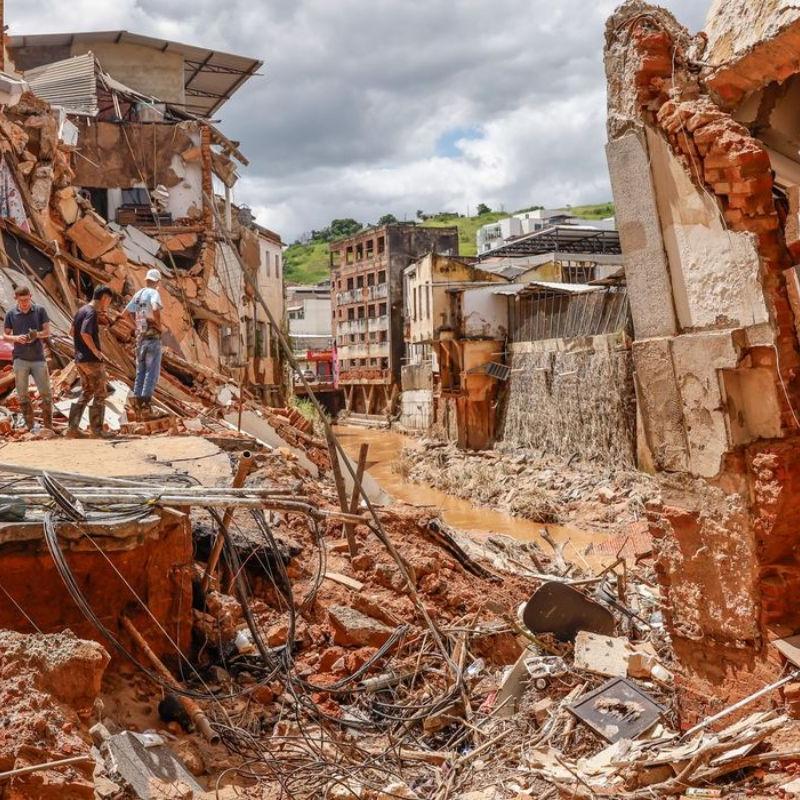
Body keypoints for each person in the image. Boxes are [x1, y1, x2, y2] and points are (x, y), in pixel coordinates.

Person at [67, 285, 114, 438]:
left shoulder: (80, 311)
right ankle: (97, 431)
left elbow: (71, 331)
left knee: (87, 392)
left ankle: (72, 429)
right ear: (105, 298)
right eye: (109, 301)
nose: (108, 304)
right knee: (100, 393)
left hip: (80, 360)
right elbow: (85, 333)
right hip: (91, 360)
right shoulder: (91, 312)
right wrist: (96, 352)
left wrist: (80, 348)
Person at [2, 285, 52, 431]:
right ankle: (31, 427)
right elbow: (6, 336)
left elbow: (47, 332)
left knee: (46, 393)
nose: (24, 302)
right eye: (21, 300)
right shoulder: (11, 314)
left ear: (31, 296)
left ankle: (49, 427)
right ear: (15, 299)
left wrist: (36, 335)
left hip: (38, 358)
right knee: (22, 394)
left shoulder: (40, 310)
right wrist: (17, 338)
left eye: (26, 299)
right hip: (20, 359)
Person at [126, 269, 164, 415]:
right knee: (151, 373)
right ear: (157, 282)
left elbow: (126, 312)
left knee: (140, 373)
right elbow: (155, 307)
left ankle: (136, 407)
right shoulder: (154, 293)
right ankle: (145, 408)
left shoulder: (139, 294)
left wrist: (135, 326)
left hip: (140, 340)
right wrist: (158, 325)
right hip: (152, 339)